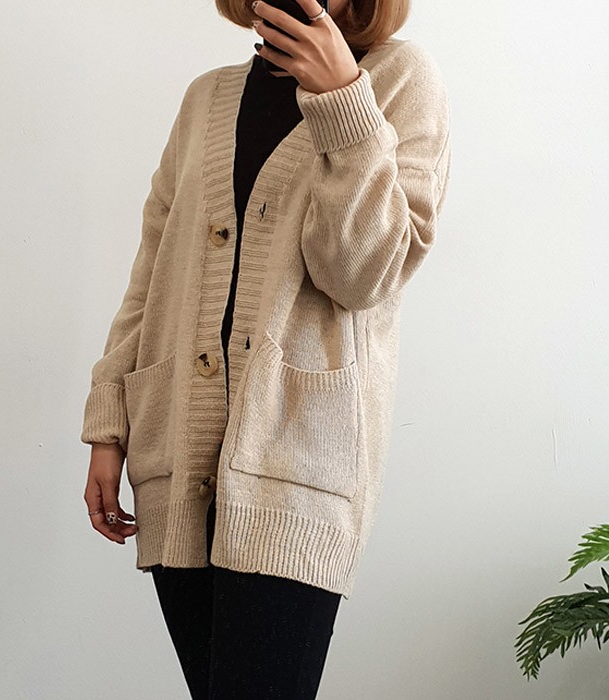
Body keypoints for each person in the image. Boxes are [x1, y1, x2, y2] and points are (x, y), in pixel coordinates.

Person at [81, 0, 451, 697]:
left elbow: (362, 276)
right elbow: (152, 271)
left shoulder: (401, 78)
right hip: (175, 459)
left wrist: (342, 99)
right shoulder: (206, 98)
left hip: (298, 467)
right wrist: (109, 424)